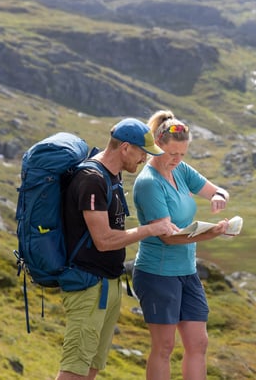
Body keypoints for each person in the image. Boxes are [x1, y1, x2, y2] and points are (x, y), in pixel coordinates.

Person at [57, 118, 180, 380]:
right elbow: (103, 239)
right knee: (74, 369)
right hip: (87, 286)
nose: (144, 159)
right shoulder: (91, 179)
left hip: (107, 285)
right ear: (125, 148)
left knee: (90, 367)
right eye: (142, 152)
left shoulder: (112, 175)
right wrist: (150, 229)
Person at [131, 110, 233, 380]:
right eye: (172, 154)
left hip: (187, 272)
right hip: (157, 274)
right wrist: (209, 234)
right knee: (164, 347)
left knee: (198, 343)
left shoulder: (180, 170)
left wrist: (218, 197)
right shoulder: (149, 184)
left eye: (182, 154)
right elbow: (167, 236)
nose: (177, 160)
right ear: (157, 146)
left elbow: (217, 189)